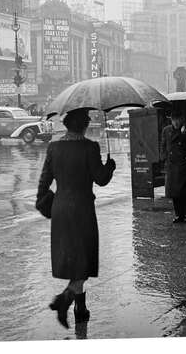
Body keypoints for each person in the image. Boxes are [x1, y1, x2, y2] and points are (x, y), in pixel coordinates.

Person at [36, 108, 116, 328]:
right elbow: (101, 179)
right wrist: (110, 167)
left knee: (76, 263)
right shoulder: (90, 147)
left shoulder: (54, 148)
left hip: (61, 210)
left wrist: (47, 204)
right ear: (84, 125)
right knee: (83, 261)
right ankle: (64, 301)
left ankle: (81, 309)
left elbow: (43, 182)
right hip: (82, 211)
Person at [160, 109, 186, 223]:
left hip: (182, 164)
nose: (176, 123)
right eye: (174, 120)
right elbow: (163, 145)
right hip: (171, 165)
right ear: (171, 120)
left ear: (181, 119)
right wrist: (164, 158)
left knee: (184, 192)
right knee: (174, 192)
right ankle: (178, 214)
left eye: (178, 120)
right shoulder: (166, 130)